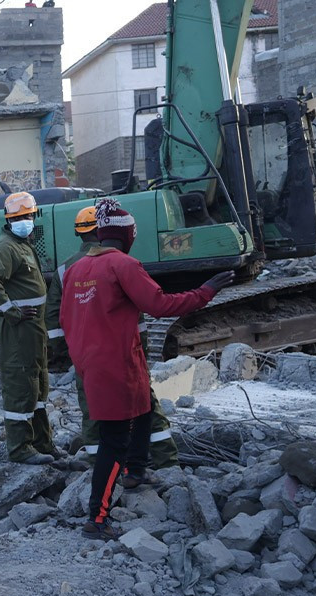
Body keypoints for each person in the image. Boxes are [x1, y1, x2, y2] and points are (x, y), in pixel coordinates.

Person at [61, 199, 233, 539]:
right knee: (113, 441)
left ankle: (137, 471)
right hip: (117, 364)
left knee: (142, 410)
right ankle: (97, 519)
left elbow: (66, 320)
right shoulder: (124, 265)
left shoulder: (78, 269)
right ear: (127, 235)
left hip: (103, 363)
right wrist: (206, 291)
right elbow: (160, 305)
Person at [0, 192, 56, 465]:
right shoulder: (7, 247)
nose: (26, 220)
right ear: (9, 220)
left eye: (28, 216)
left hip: (32, 329)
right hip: (18, 328)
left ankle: (41, 442)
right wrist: (11, 311)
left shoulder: (23, 244)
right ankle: (20, 448)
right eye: (20, 217)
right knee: (20, 383)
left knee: (37, 384)